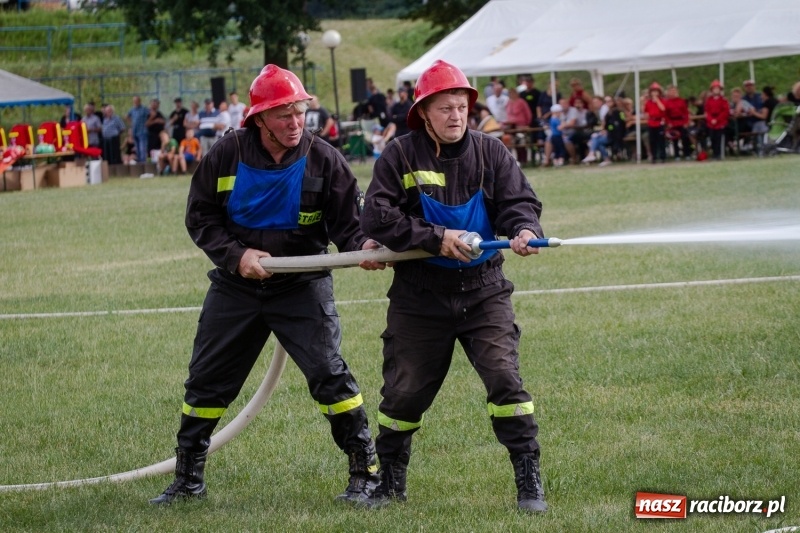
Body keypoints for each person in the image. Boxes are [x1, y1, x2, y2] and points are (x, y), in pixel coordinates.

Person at [149, 64, 384, 506]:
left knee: (329, 375)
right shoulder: (227, 153)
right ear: (259, 119)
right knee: (206, 381)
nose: (295, 123)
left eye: (300, 113)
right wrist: (236, 256)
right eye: (283, 115)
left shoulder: (324, 158)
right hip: (236, 286)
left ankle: (366, 474)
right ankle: (187, 480)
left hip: (302, 284)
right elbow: (201, 216)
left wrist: (364, 247)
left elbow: (350, 226)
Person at [359, 59, 548, 514]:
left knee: (504, 379)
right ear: (423, 113)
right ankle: (390, 480)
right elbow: (377, 216)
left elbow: (519, 201)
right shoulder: (399, 155)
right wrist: (436, 238)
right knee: (403, 391)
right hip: (419, 294)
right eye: (445, 108)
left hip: (484, 291)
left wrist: (523, 228)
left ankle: (528, 479)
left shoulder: (492, 152)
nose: (456, 116)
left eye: (461, 107)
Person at [505, 87, 533, 165]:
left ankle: (524, 160)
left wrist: (527, 124)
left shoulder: (521, 102)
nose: (512, 95)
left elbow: (528, 114)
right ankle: (515, 160)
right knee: (513, 143)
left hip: (521, 125)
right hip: (511, 126)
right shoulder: (508, 103)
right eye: (510, 93)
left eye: (513, 93)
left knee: (521, 142)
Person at [664, 85, 692, 161]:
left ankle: (687, 154)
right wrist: (668, 123)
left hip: (681, 122)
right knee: (674, 139)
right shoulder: (667, 102)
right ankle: (677, 155)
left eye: (674, 91)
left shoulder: (682, 101)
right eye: (671, 91)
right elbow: (666, 114)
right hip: (673, 122)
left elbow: (686, 112)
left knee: (685, 139)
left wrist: (686, 122)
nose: (673, 93)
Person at [705, 80, 729, 160]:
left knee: (719, 138)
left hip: (720, 122)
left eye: (717, 88)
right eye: (714, 88)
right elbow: (707, 112)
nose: (716, 90)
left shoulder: (723, 100)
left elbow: (725, 112)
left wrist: (717, 119)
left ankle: (719, 153)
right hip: (711, 123)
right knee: (712, 138)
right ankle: (714, 153)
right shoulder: (709, 100)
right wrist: (711, 120)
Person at [643, 82, 667, 163]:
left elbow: (663, 109)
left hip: (659, 122)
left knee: (661, 140)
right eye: (653, 91)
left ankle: (662, 156)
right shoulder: (648, 102)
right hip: (651, 122)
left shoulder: (662, 101)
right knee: (652, 141)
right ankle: (654, 157)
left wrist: (657, 100)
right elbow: (646, 112)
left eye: (656, 91)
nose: (654, 93)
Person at [127, 96, 150, 163]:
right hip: (135, 131)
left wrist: (148, 122)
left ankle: (143, 162)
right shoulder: (132, 109)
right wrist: (131, 124)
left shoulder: (144, 109)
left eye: (136, 101)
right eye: (134, 101)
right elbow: (127, 116)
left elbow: (151, 115)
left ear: (139, 101)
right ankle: (139, 161)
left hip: (142, 130)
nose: (135, 102)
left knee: (142, 148)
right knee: (137, 148)